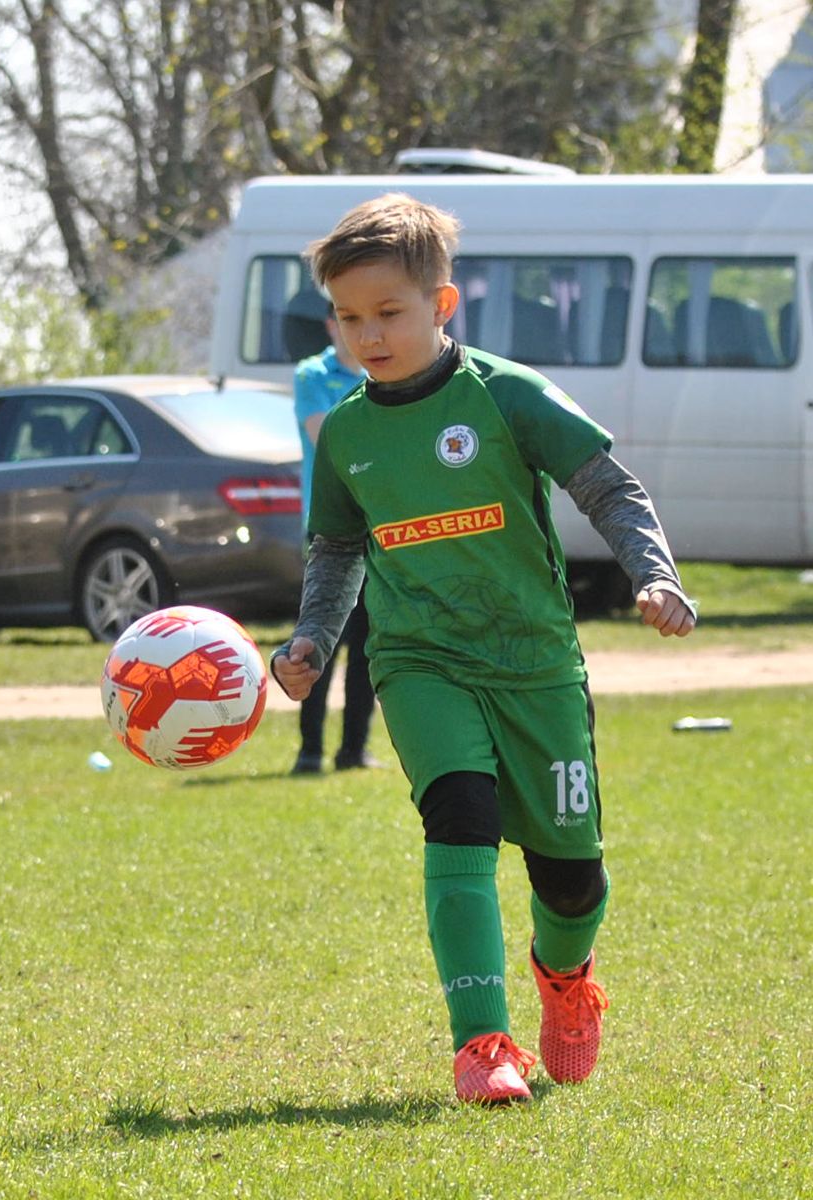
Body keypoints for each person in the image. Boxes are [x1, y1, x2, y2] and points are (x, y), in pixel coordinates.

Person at [270, 194, 697, 1105]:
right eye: (348, 318)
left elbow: (608, 488)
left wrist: (652, 575)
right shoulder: (346, 431)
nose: (368, 335)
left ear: (442, 306)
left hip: (535, 663)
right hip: (421, 660)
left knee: (572, 878)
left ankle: (566, 982)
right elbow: (338, 549)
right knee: (457, 815)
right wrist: (312, 636)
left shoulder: (507, 396)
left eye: (389, 313)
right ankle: (482, 1045)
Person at [290, 303, 379, 775]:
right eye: (350, 318)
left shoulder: (382, 377)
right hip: (327, 531)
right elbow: (326, 435)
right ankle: (309, 752)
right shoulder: (311, 375)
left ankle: (353, 751)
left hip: (377, 531)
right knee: (316, 645)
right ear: (332, 325)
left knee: (368, 647)